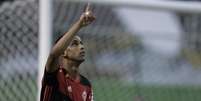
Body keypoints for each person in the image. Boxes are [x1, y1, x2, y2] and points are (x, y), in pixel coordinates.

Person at [40, 4, 95, 101]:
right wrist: (80, 24)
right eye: (75, 44)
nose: (81, 47)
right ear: (63, 52)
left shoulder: (86, 85)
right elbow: (54, 54)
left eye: (81, 43)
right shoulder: (55, 74)